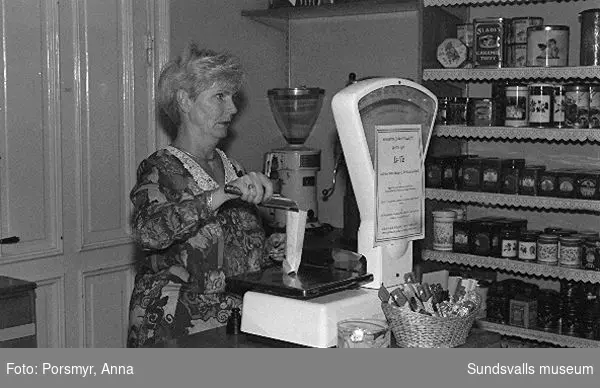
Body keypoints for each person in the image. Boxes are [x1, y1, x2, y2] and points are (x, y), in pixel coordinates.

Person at [127, 43, 286, 348]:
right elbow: (149, 233)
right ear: (185, 101)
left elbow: (230, 250)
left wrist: (268, 250)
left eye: (232, 97)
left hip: (231, 323)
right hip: (173, 327)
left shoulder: (231, 167)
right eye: (219, 97)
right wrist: (219, 195)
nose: (233, 109)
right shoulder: (160, 168)